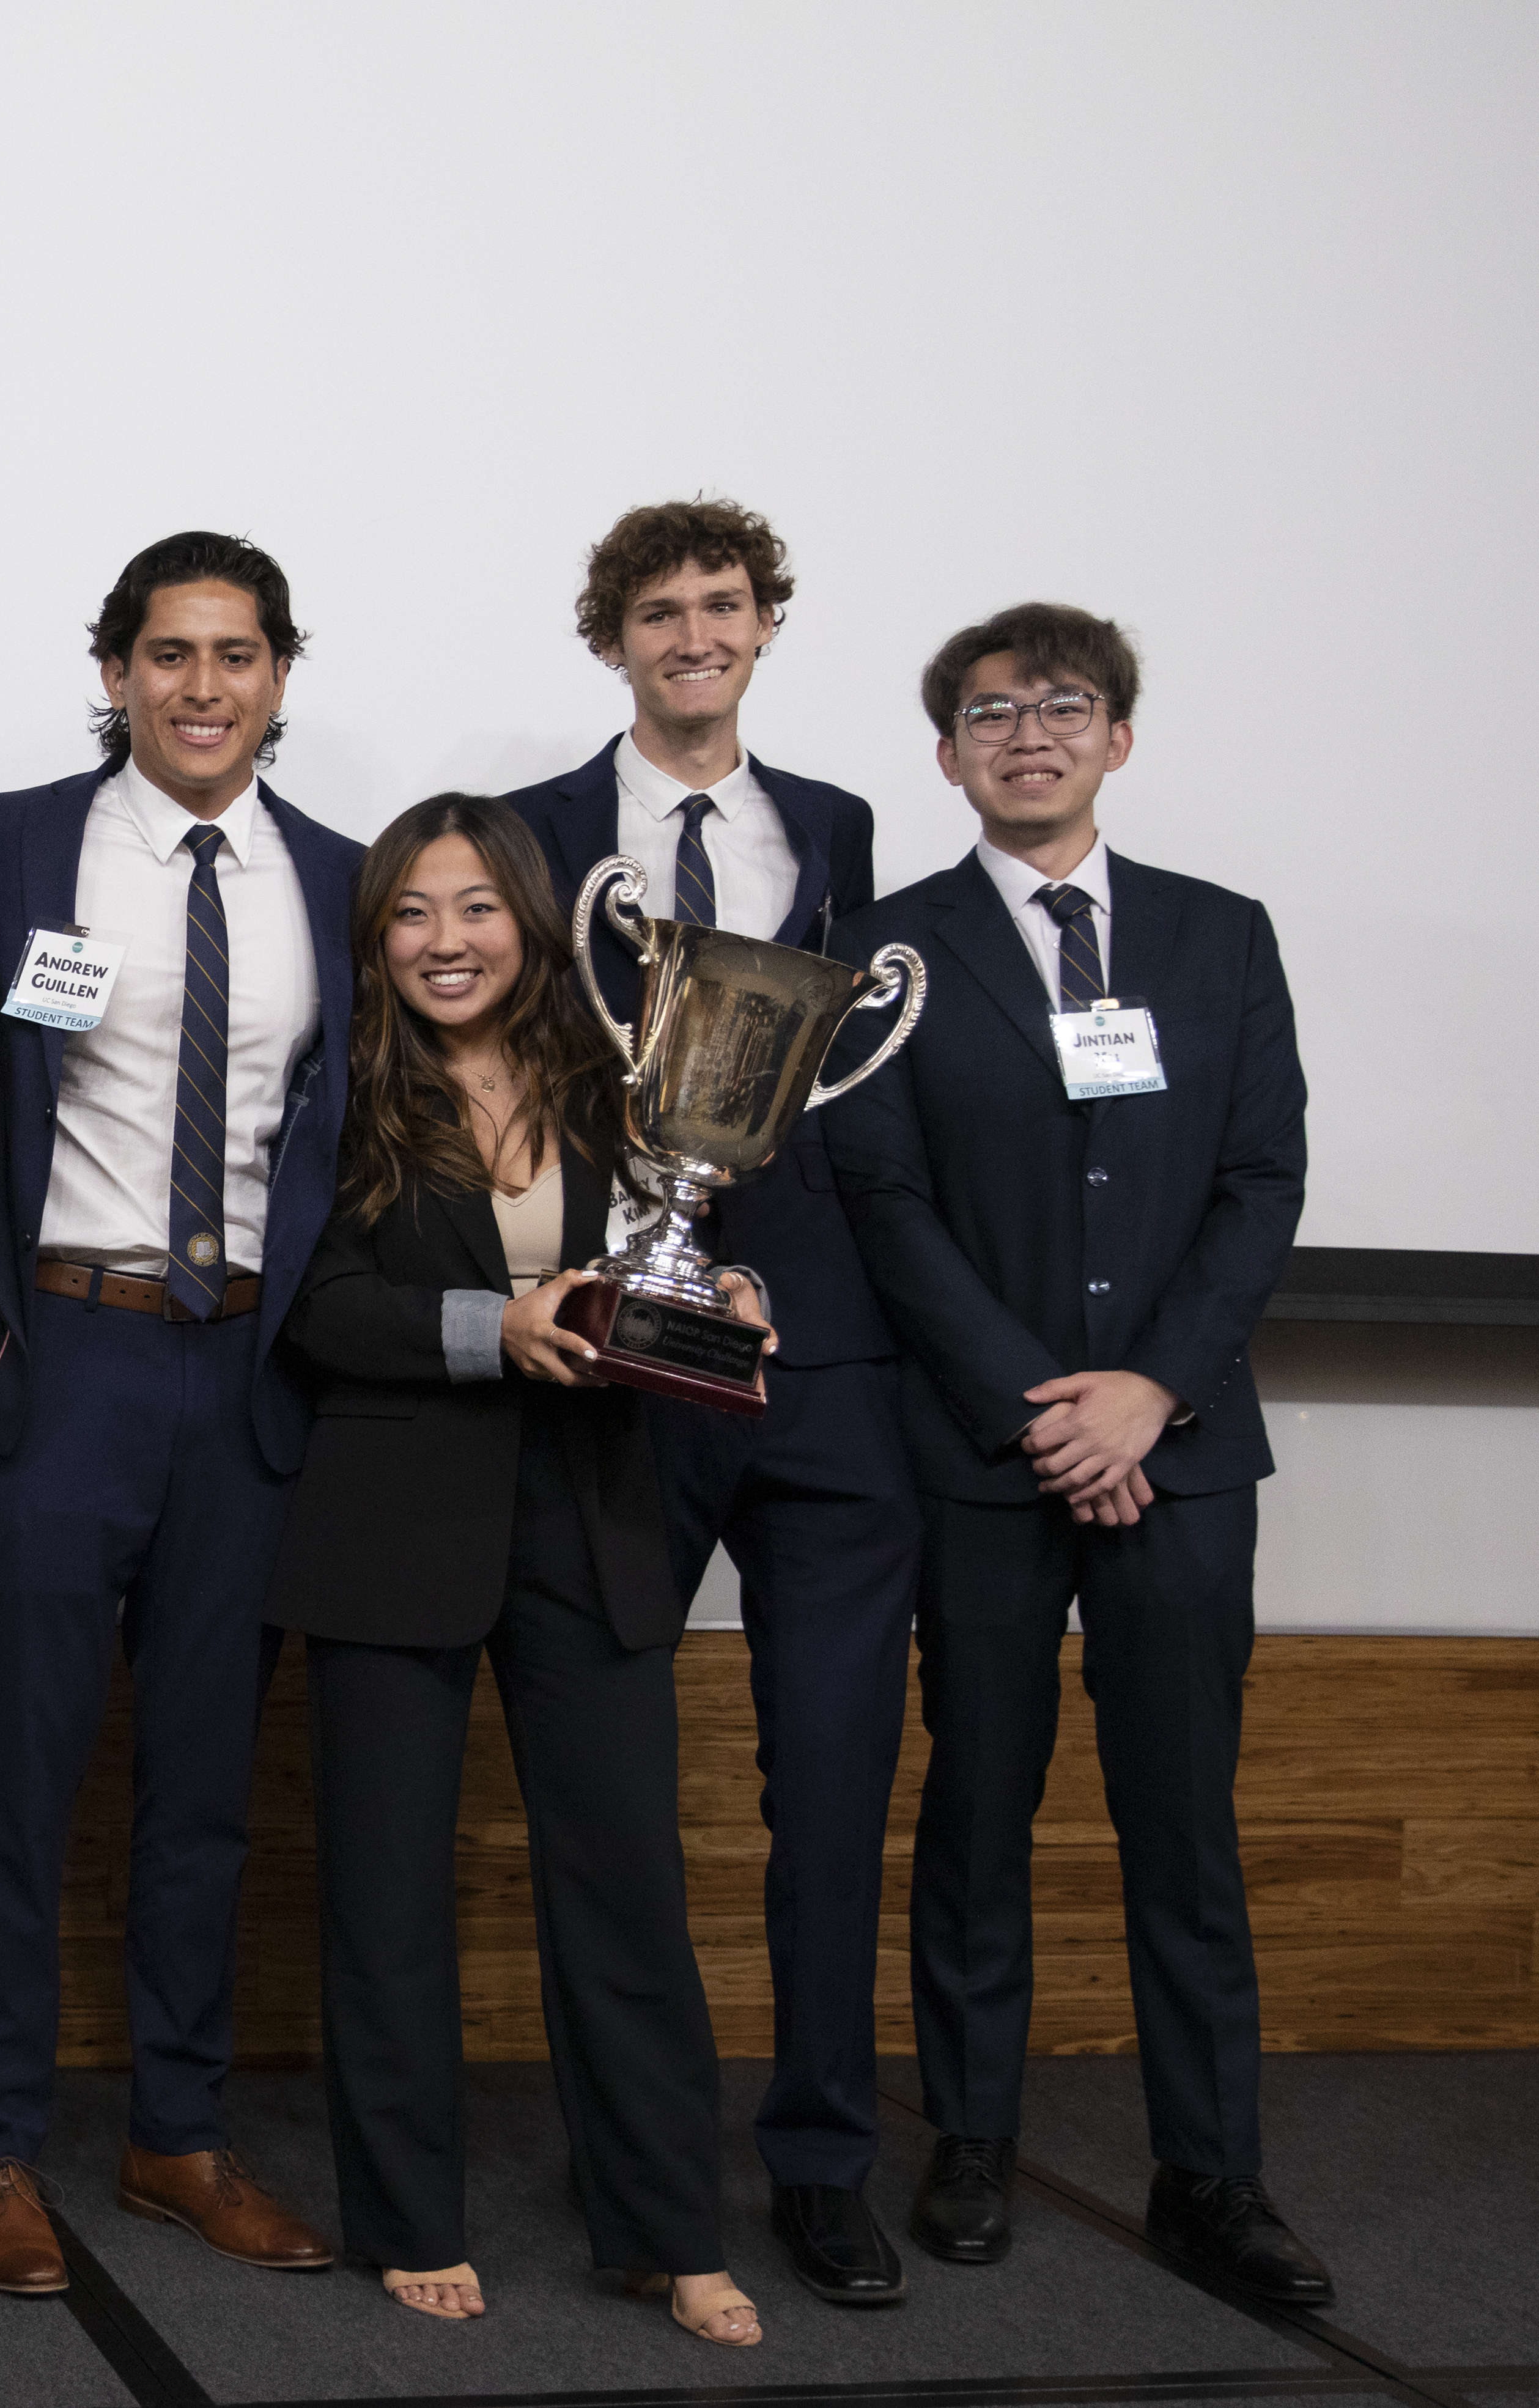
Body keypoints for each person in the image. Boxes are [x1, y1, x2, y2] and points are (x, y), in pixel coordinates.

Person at [825, 605, 1324, 2304]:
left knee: (1179, 1826)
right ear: (945, 752)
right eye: (986, 712)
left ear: (1115, 737)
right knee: (972, 1809)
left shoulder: (1216, 937)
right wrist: (1047, 1403)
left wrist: (1148, 1393)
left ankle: (1210, 2173)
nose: (1023, 734)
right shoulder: (888, 951)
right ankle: (967, 2139)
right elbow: (879, 1196)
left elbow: (1258, 1179)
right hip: (981, 1461)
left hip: (1178, 1461)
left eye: (1060, 707)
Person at [268, 792, 764, 2347]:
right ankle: (409, 2213)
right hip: (391, 1523)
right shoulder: (334, 1086)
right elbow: (316, 1303)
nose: (444, 940)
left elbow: (657, 1270)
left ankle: (667, 2225)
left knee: (626, 1889)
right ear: (376, 939)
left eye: (475, 906)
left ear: (529, 920)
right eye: (410, 913)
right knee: (390, 1895)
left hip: (593, 1518)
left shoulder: (625, 1085)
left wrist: (724, 1292)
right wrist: (502, 1327)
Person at [500, 498, 920, 2305]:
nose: (692, 633)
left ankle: (821, 2158)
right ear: (609, 639)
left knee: (828, 1783)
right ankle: (644, 2179)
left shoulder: (826, 829)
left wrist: (776, 1278)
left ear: (763, 627)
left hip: (810, 1362)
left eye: (721, 605)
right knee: (607, 1793)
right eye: (656, 610)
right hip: (614, 1363)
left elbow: (833, 1085)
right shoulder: (527, 835)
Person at [0, 532, 361, 2296]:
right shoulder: (1, 842)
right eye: (166, 653)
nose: (201, 686)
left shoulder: (344, 878)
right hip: (67, 1344)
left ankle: (175, 2130)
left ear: (277, 675)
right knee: (20, 1772)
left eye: (235, 654)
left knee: (203, 1784)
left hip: (249, 1367)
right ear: (108, 670)